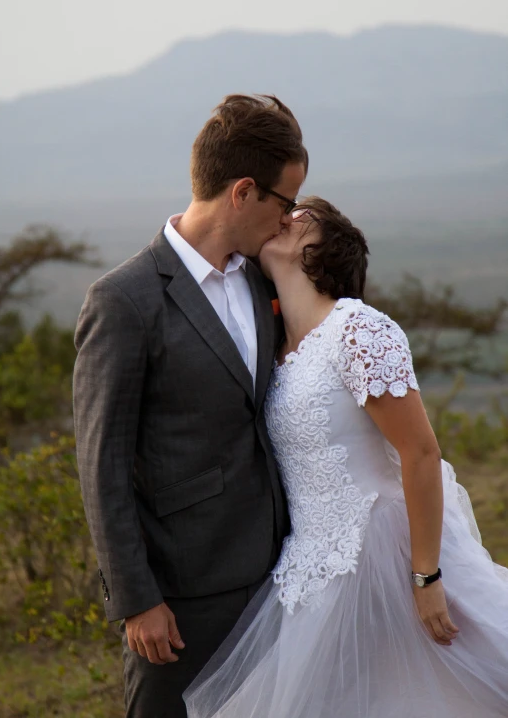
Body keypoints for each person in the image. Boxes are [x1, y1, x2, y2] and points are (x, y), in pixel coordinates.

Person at [183, 196, 508, 718]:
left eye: (301, 217)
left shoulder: (358, 330)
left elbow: (421, 453)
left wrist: (425, 577)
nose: (285, 217)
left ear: (324, 251)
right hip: (310, 569)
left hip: (387, 555)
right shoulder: (276, 350)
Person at [72, 94, 308, 718]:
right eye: (285, 203)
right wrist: (135, 598)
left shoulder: (263, 278)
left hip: (278, 572)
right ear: (243, 192)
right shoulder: (123, 301)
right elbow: (102, 468)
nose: (288, 221)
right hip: (181, 595)